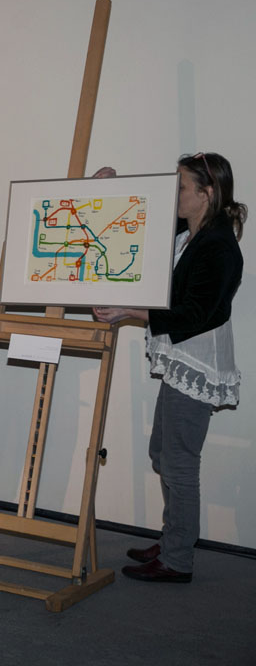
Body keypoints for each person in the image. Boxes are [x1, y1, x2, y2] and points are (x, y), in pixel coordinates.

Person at [92, 153, 245, 583]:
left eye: (180, 187)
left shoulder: (219, 246)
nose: (172, 193)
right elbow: (143, 213)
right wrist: (115, 183)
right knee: (163, 453)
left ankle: (177, 559)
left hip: (196, 360)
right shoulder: (189, 230)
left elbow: (194, 315)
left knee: (178, 462)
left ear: (207, 193)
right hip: (181, 359)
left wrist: (128, 311)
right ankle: (173, 537)